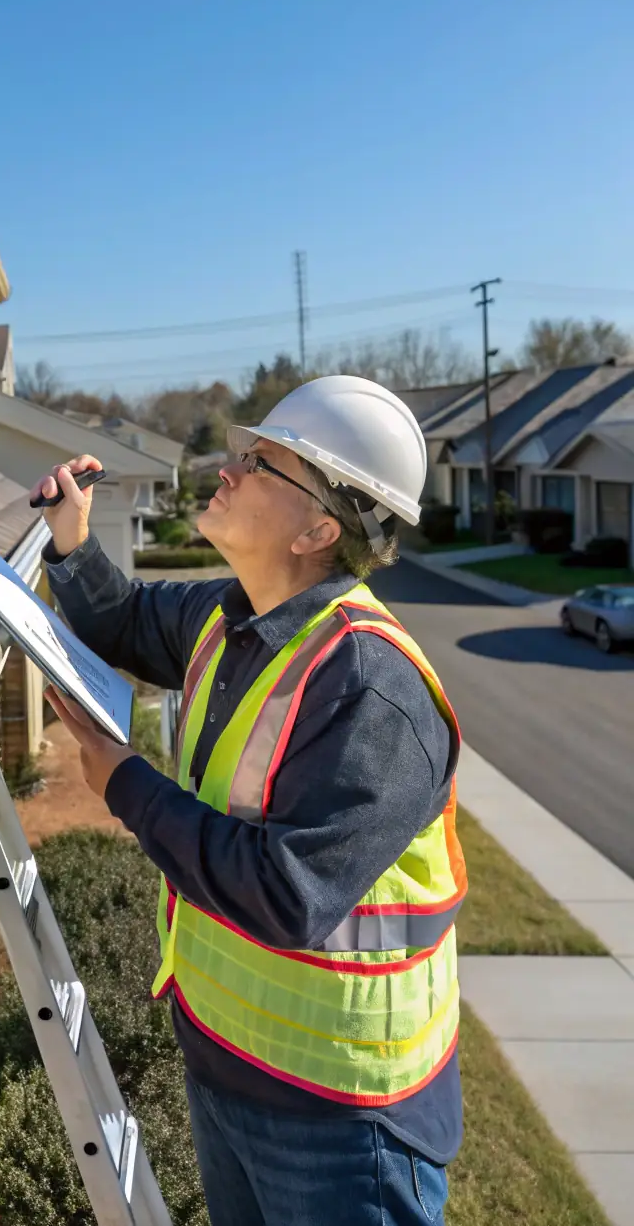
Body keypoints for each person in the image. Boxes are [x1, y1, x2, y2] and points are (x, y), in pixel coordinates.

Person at [34, 375, 466, 1226]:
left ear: (319, 528)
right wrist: (71, 544)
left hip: (344, 1119)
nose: (227, 469)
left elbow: (286, 892)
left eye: (261, 461)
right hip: (227, 1067)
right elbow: (121, 620)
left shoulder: (372, 690)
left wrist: (123, 779)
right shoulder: (223, 614)